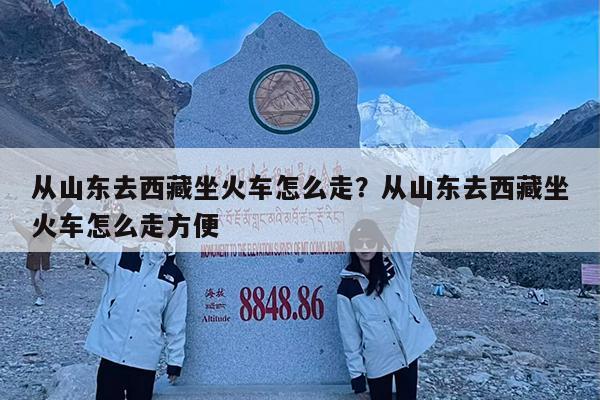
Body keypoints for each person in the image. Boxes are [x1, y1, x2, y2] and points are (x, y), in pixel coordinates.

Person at [56, 199, 187, 400]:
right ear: (142, 231)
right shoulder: (121, 257)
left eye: (161, 228)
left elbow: (175, 323)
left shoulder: (174, 277)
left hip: (144, 361)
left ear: (169, 234)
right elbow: (91, 239)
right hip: (112, 353)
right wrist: (69, 209)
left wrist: (175, 361)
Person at [337, 219, 436, 400]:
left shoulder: (396, 267)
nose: (365, 247)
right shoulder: (347, 288)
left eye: (370, 241)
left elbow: (406, 235)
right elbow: (350, 336)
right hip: (377, 362)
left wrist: (413, 206)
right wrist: (357, 377)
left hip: (407, 353)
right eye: (359, 242)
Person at [10, 201, 59, 306]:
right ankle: (39, 293)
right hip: (31, 260)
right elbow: (21, 229)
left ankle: (41, 297)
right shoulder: (30, 236)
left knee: (37, 280)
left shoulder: (48, 237)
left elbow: (59, 230)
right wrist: (14, 221)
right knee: (33, 282)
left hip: (42, 261)